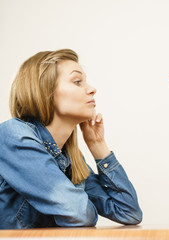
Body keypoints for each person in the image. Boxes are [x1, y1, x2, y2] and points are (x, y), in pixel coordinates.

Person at [0, 49, 142, 229]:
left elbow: (129, 212)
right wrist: (80, 203)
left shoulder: (71, 160)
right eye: (77, 81)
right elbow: (78, 213)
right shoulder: (13, 134)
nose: (92, 89)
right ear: (45, 92)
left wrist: (98, 146)